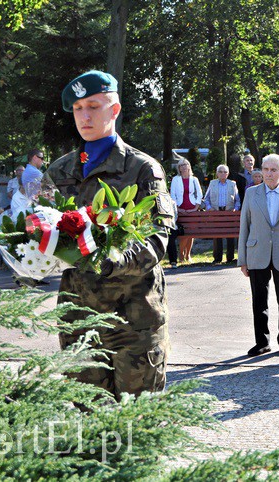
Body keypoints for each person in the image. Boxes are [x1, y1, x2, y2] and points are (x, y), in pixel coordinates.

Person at [44, 70, 175, 399]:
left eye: (93, 106)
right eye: (77, 109)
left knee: (137, 420)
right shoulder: (59, 171)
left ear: (114, 110)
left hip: (133, 319)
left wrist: (108, 260)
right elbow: (41, 230)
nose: (85, 116)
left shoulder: (142, 169)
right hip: (78, 316)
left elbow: (157, 240)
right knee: (87, 418)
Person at [238, 154, 279, 357]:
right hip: (257, 253)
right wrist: (242, 259)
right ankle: (262, 341)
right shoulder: (251, 194)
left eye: (273, 170)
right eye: (265, 169)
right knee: (259, 300)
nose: (268, 173)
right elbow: (244, 226)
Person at [204, 164, 241, 264]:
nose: (223, 174)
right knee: (217, 235)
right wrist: (209, 208)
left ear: (228, 174)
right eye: (220, 171)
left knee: (230, 235)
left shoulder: (232, 184)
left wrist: (235, 209)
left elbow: (238, 200)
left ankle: (230, 258)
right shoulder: (212, 183)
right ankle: (217, 258)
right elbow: (206, 198)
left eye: (225, 172)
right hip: (216, 212)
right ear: (217, 173)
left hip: (229, 212)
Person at [169, 159, 203, 263]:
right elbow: (172, 195)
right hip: (180, 208)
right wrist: (178, 209)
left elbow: (199, 194)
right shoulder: (176, 179)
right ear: (179, 168)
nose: (183, 167)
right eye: (181, 165)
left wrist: (196, 207)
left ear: (189, 166)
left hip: (192, 208)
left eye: (185, 164)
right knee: (184, 232)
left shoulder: (194, 179)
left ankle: (187, 255)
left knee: (191, 232)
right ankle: (181, 254)